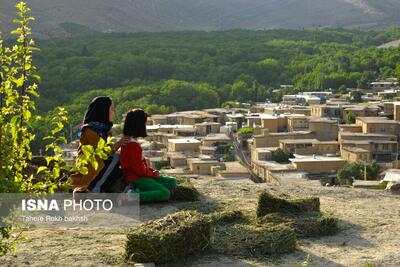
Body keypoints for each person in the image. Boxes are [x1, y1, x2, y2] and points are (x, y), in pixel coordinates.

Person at [69, 96, 129, 193]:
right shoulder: (89, 131)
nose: (114, 113)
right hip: (88, 174)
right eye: (112, 109)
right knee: (115, 158)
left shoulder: (104, 131)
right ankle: (94, 189)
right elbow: (103, 153)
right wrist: (118, 144)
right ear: (103, 111)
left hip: (97, 169)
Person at [120, 109, 177, 203]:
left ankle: (138, 191)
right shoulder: (132, 145)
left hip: (142, 175)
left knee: (172, 182)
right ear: (139, 125)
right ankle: (130, 197)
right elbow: (138, 170)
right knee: (165, 193)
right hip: (137, 178)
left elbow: (141, 167)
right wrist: (153, 174)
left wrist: (151, 172)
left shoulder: (131, 141)